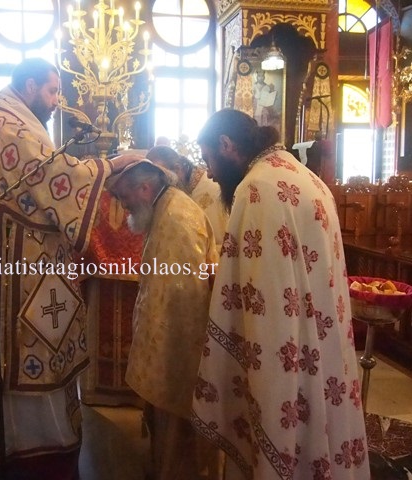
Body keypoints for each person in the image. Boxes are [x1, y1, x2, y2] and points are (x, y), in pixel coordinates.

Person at [0, 58, 135, 467]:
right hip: (16, 262)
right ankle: (27, 435)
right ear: (29, 86)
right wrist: (112, 165)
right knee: (29, 336)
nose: (56, 100)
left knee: (46, 332)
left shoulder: (16, 120)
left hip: (31, 254)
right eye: (51, 91)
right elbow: (52, 175)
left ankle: (46, 428)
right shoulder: (7, 126)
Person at [191, 109, 370, 479]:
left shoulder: (256, 189)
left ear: (226, 145)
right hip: (323, 347)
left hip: (283, 354)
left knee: (283, 440)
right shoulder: (308, 178)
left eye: (209, 159)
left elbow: (262, 300)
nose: (209, 173)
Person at [108, 159, 222, 480]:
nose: (123, 206)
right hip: (165, 339)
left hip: (179, 346)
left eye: (124, 197)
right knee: (163, 422)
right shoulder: (163, 208)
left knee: (176, 422)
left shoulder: (177, 219)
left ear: (145, 188)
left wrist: (164, 355)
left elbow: (185, 300)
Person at [146, 145, 228, 249]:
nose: (160, 186)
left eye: (162, 178)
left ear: (177, 169)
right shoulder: (179, 191)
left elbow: (222, 244)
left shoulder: (211, 191)